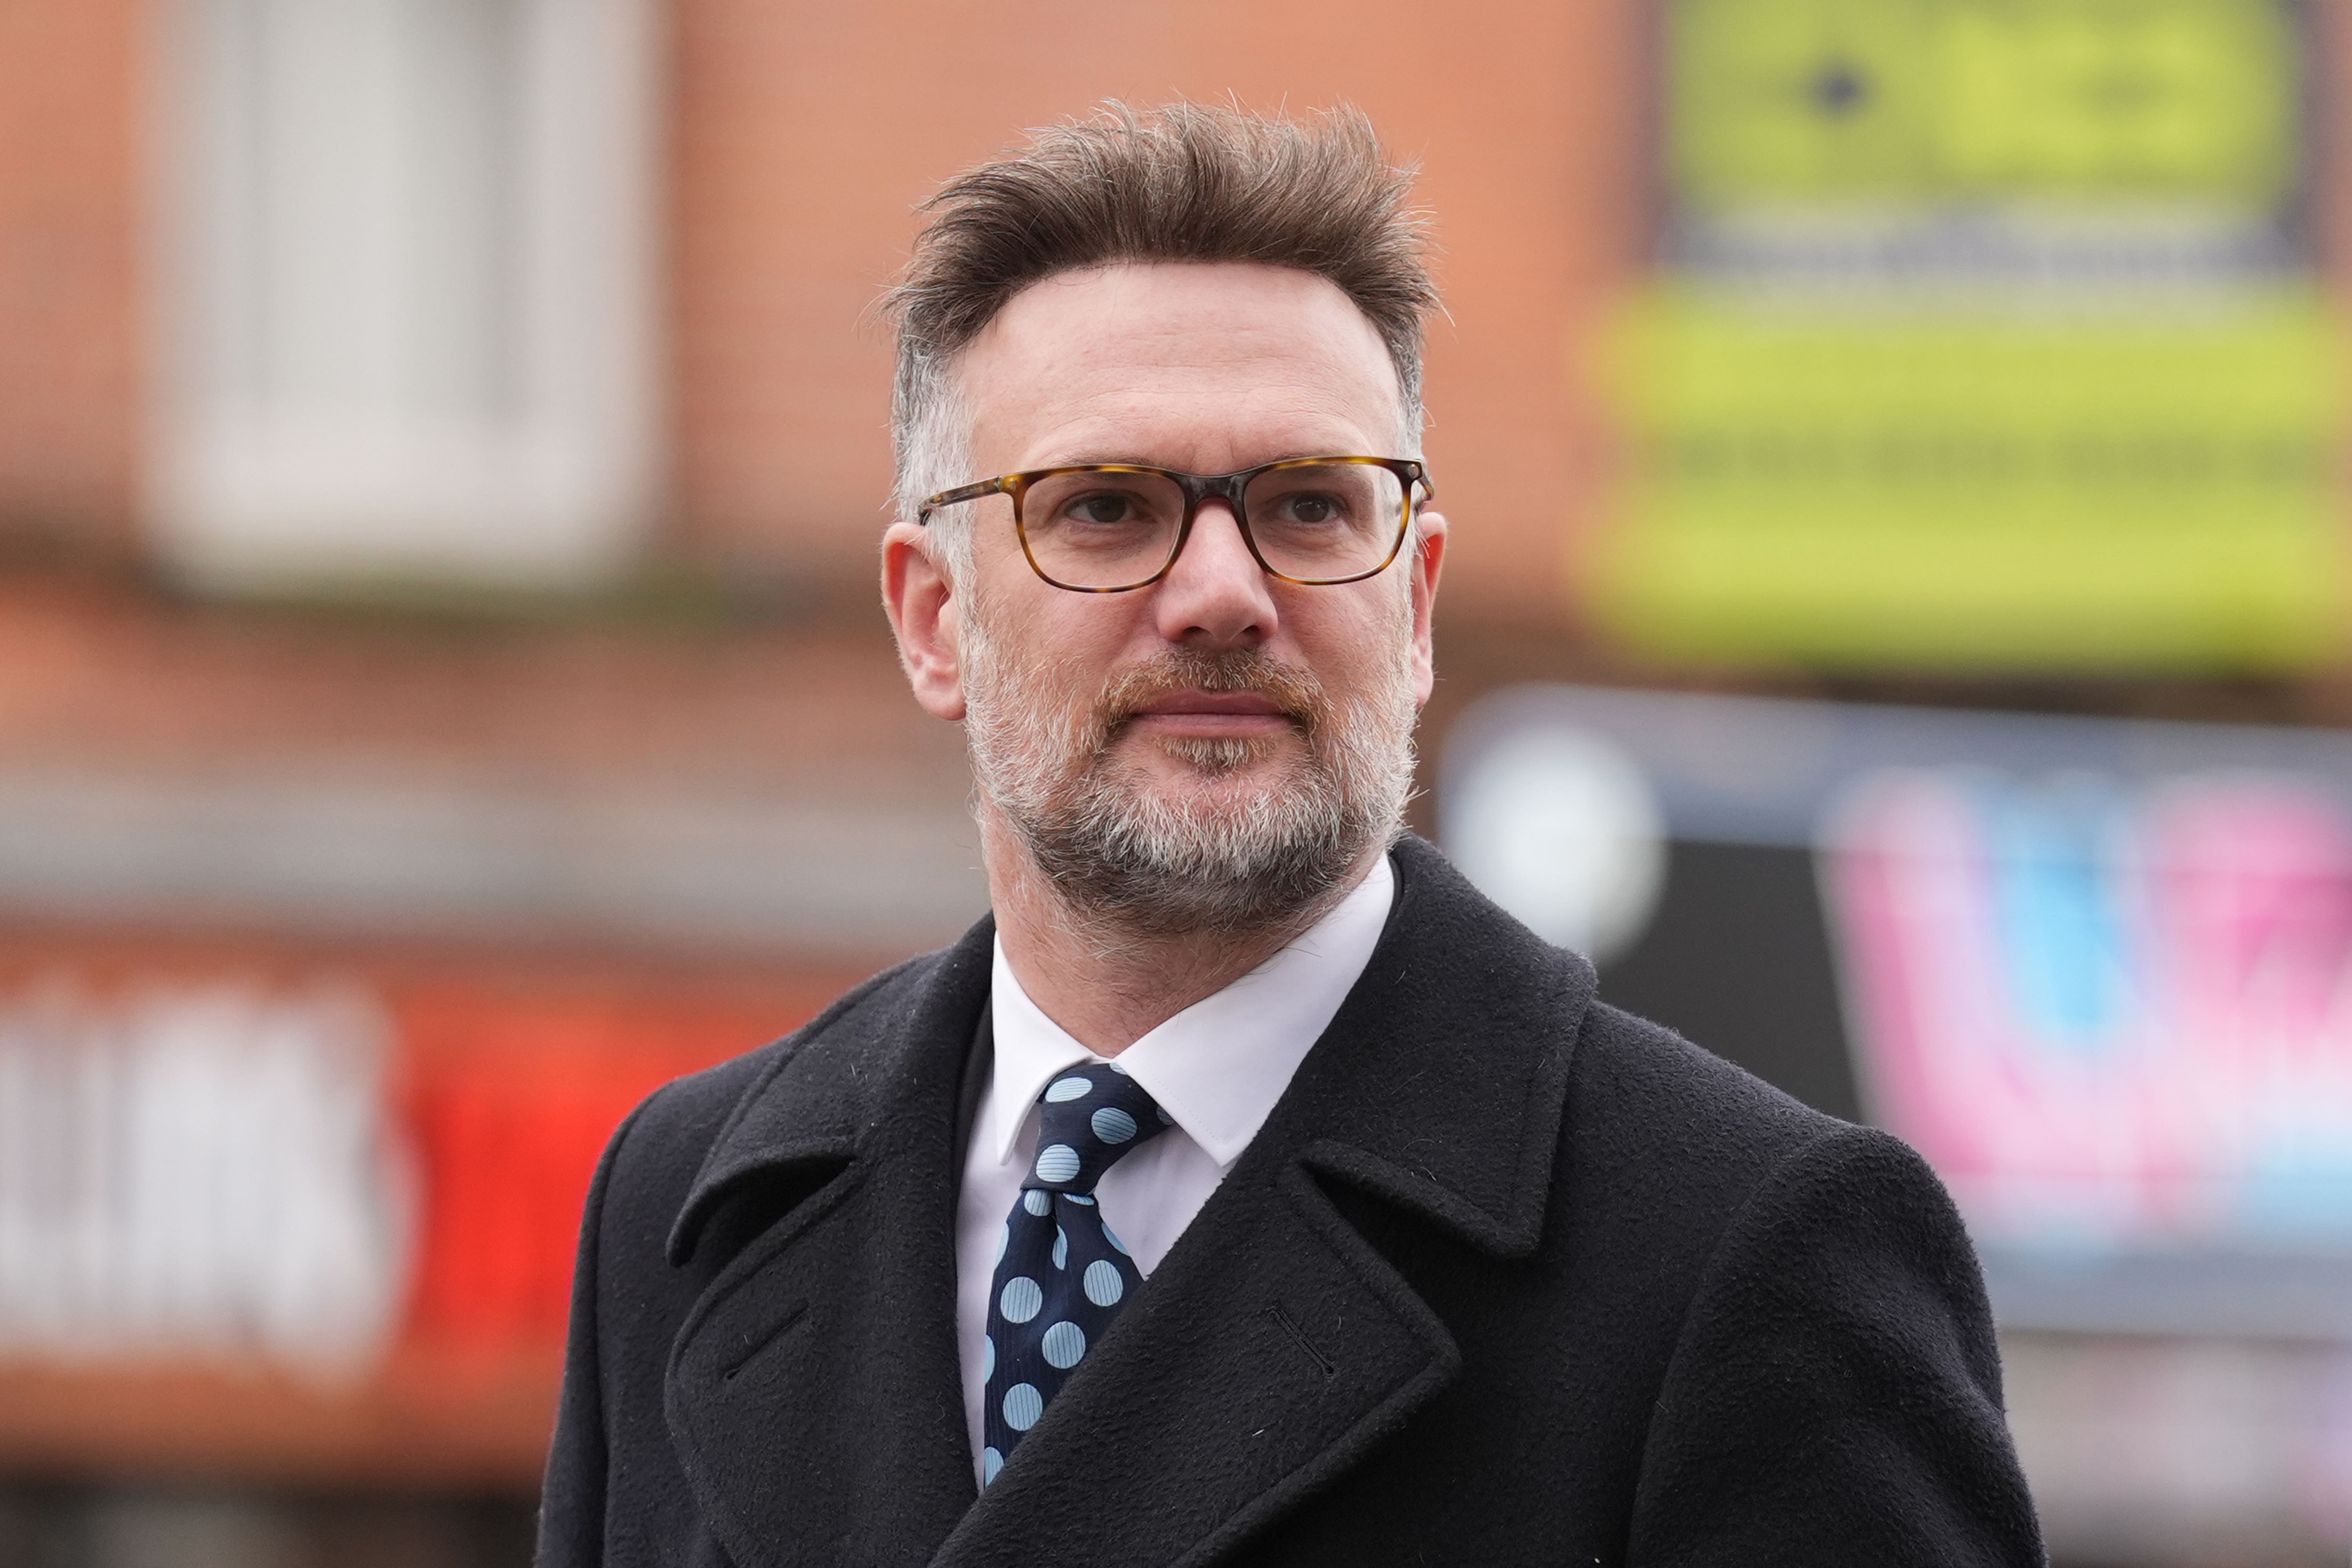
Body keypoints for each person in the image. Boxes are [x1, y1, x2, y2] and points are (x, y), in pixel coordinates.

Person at [535, 103, 2043, 1567]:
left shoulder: (1744, 1250)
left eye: (1312, 508)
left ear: (1419, 601)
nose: (1220, 592)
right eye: (1106, 509)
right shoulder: (691, 1199)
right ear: (935, 619)